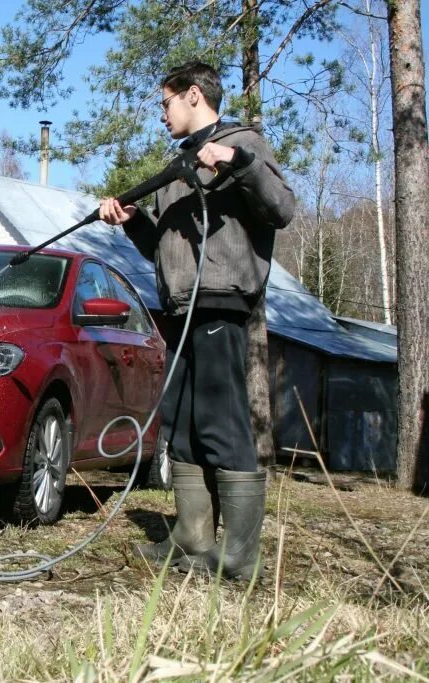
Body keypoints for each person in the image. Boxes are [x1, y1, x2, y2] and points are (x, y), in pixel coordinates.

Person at [99, 62, 295, 579]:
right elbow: (163, 249)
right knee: (182, 425)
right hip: (180, 307)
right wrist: (134, 222)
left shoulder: (244, 141)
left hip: (222, 302)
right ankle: (191, 538)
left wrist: (236, 159)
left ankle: (240, 557)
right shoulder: (178, 164)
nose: (161, 114)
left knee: (222, 425)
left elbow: (282, 207)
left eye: (165, 103)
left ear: (192, 96)